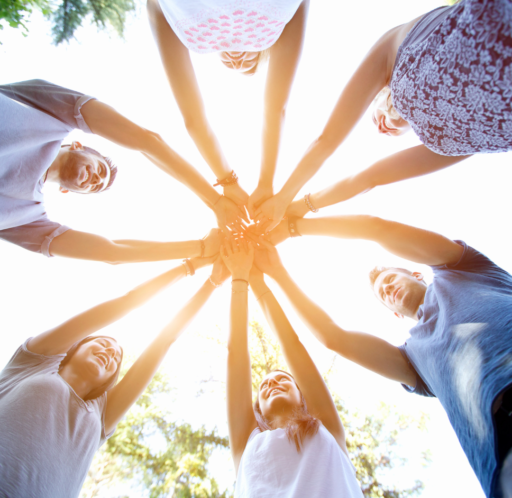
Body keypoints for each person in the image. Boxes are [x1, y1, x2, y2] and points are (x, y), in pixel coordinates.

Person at [247, 216, 512, 498]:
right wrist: (276, 272)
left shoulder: (463, 268)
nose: (386, 289)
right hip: (501, 447)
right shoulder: (414, 360)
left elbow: (378, 229)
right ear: (395, 313)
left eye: (389, 280)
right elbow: (333, 337)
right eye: (382, 295)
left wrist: (293, 225)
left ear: (417, 274)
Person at [253, 0, 512, 231]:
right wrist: (296, 210)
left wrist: (284, 196)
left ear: (378, 96)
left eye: (373, 116)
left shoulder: (391, 50)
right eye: (398, 133)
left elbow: (327, 141)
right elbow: (368, 179)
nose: (382, 128)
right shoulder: (456, 146)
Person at [0, 253, 230, 498]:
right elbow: (126, 301)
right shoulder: (35, 361)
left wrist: (212, 283)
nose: (111, 352)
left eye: (117, 358)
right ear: (76, 346)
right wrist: (191, 265)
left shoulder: (102, 415)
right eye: (103, 343)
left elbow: (164, 341)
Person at [0, 79, 244, 261]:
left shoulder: (26, 216)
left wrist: (200, 248)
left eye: (95, 187)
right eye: (100, 170)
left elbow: (112, 252)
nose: (95, 180)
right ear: (78, 145)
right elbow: (148, 142)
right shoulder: (54, 117)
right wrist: (215, 200)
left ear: (67, 191)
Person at [146, 0, 312, 218]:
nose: (236, 61)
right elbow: (275, 109)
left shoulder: (194, 37)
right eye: (250, 60)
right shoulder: (275, 27)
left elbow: (194, 120)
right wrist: (265, 183)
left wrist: (228, 182)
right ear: (265, 50)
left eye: (230, 64)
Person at [220, 236, 363, 497]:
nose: (272, 382)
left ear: (302, 395)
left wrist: (257, 281)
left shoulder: (326, 426)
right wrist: (239, 277)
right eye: (264, 384)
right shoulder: (246, 442)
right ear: (258, 411)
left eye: (283, 379)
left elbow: (291, 344)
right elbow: (236, 354)